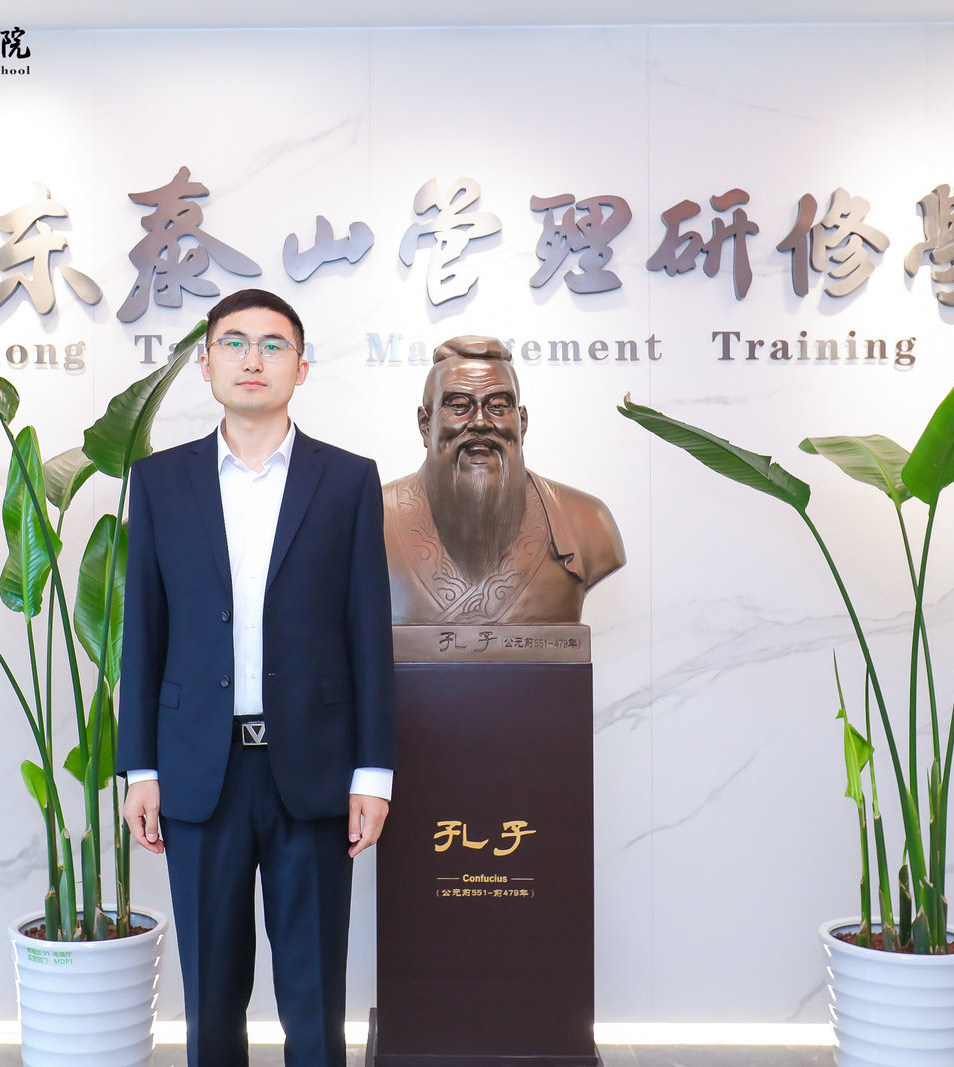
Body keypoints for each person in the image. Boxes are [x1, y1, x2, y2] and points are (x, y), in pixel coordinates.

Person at [116, 289, 395, 1067]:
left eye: (273, 345)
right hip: (198, 768)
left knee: (314, 997)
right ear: (205, 363)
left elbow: (368, 633)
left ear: (300, 368)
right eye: (233, 343)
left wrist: (374, 771)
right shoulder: (160, 481)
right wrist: (140, 767)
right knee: (211, 998)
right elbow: (144, 631)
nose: (252, 359)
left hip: (314, 767)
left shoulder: (347, 481)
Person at [383, 335, 625, 624]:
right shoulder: (375, 517)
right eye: (459, 405)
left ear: (522, 423)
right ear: (425, 424)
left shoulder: (586, 522)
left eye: (498, 406)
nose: (480, 422)